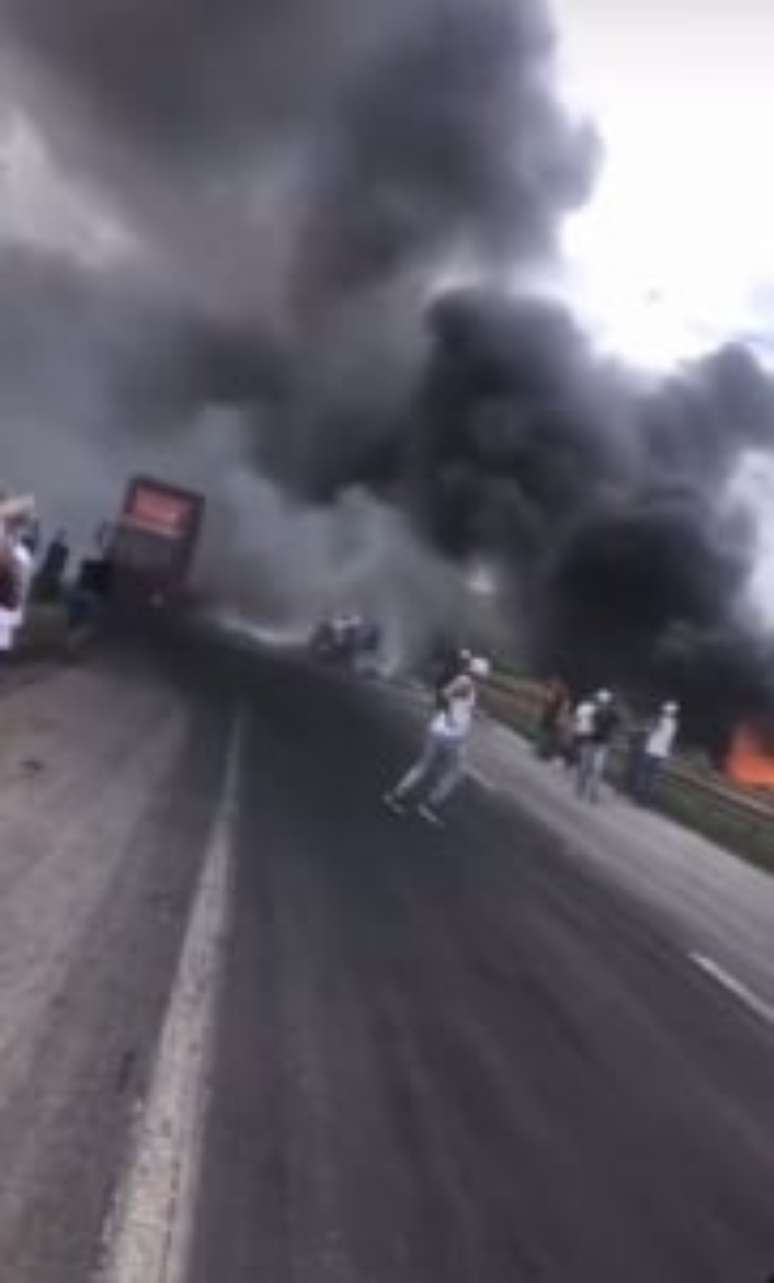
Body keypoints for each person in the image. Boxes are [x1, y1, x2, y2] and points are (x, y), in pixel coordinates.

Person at [385, 654, 490, 824]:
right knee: (455, 772)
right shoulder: (466, 682)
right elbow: (444, 694)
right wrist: (451, 717)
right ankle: (429, 805)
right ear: (478, 673)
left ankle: (396, 796)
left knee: (425, 767)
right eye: (484, 676)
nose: (484, 680)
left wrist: (473, 713)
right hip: (450, 736)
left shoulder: (468, 684)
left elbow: (457, 703)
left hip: (440, 732)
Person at [576, 689, 619, 803]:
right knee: (596, 769)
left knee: (586, 766)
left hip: (592, 741)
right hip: (601, 743)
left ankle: (582, 789)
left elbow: (587, 725)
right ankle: (591, 793)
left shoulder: (594, 710)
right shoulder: (611, 712)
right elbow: (617, 725)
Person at [633, 701, 679, 805]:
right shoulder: (673, 724)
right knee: (652, 778)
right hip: (661, 754)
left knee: (644, 775)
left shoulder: (658, 719)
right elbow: (671, 741)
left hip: (651, 751)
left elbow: (647, 731)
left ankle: (639, 797)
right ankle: (646, 800)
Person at [536, 677, 570, 761]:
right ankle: (545, 752)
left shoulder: (555, 693)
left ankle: (542, 751)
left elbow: (548, 701)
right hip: (553, 717)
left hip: (550, 716)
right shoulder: (563, 696)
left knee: (546, 734)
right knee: (550, 735)